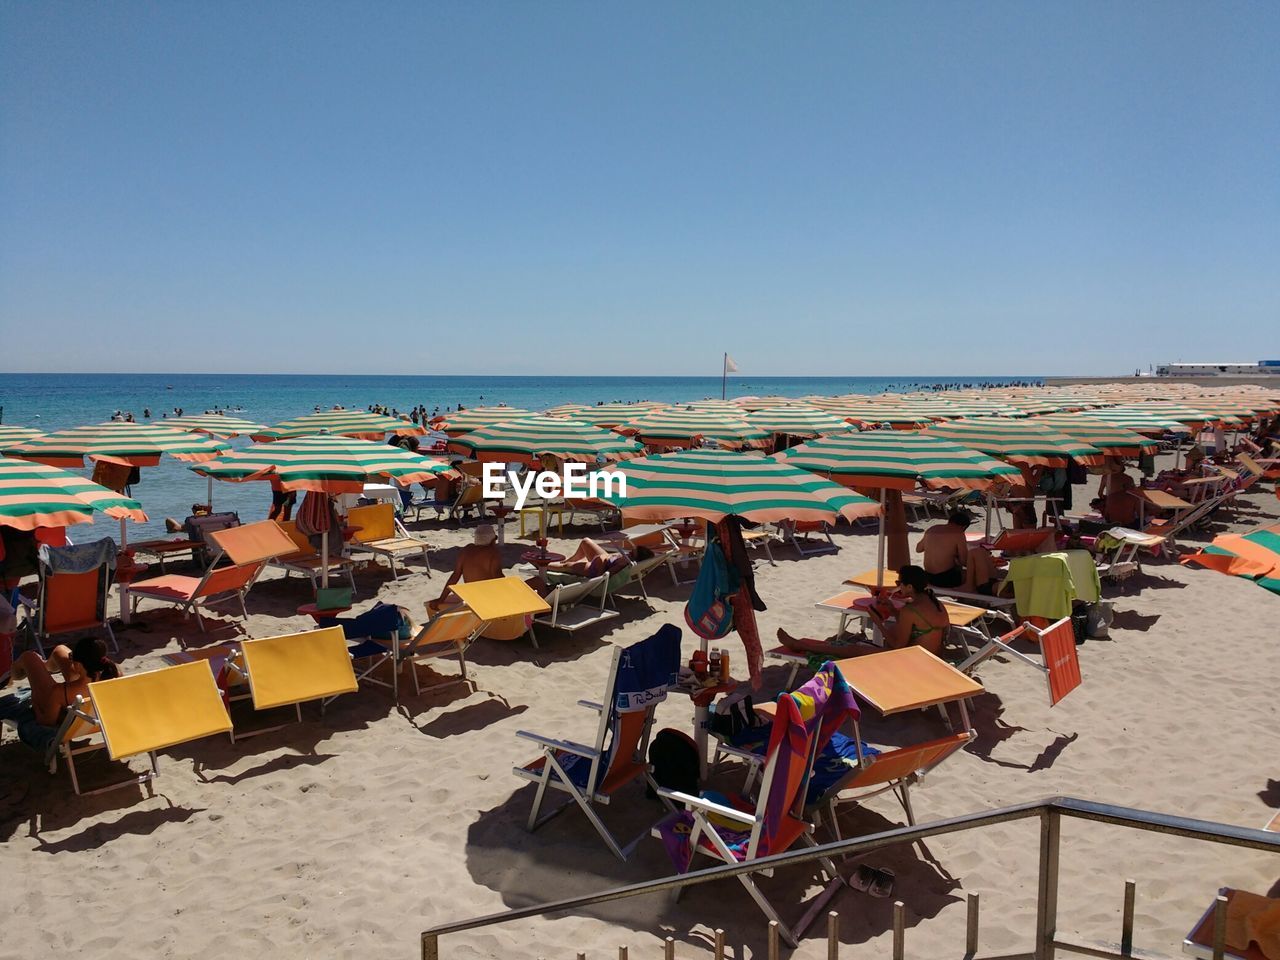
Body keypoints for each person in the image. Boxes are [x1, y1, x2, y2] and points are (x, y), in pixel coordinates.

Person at [777, 565, 951, 658]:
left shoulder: (911, 609)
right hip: (933, 657)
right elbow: (916, 627)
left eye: (899, 583)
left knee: (856, 649)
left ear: (910, 586)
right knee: (866, 643)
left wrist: (879, 623)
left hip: (917, 662)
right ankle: (803, 644)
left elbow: (898, 646)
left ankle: (801, 645)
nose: (898, 586)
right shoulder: (935, 602)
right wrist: (892, 610)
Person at [9, 637, 118, 728]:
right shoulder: (115, 674)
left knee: (29, 657)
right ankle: (44, 665)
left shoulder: (59, 692)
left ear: (78, 665)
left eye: (72, 658)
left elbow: (46, 722)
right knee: (60, 650)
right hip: (92, 706)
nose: (70, 659)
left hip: (70, 709)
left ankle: (8, 677)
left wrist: (35, 703)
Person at [434, 524, 503, 606]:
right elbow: (498, 578)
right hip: (486, 596)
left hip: (470, 595)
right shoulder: (492, 553)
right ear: (492, 541)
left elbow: (455, 576)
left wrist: (441, 599)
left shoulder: (466, 550)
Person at [916, 510, 973, 588]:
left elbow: (918, 549)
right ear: (964, 527)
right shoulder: (958, 533)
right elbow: (964, 561)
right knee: (974, 574)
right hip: (945, 578)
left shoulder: (932, 529)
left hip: (927, 576)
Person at [544, 538, 628, 578]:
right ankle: (572, 559)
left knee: (566, 566)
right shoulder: (627, 557)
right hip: (603, 558)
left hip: (595, 568)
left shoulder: (623, 563)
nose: (631, 552)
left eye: (633, 552)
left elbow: (604, 575)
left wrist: (602, 560)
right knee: (585, 542)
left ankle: (543, 565)